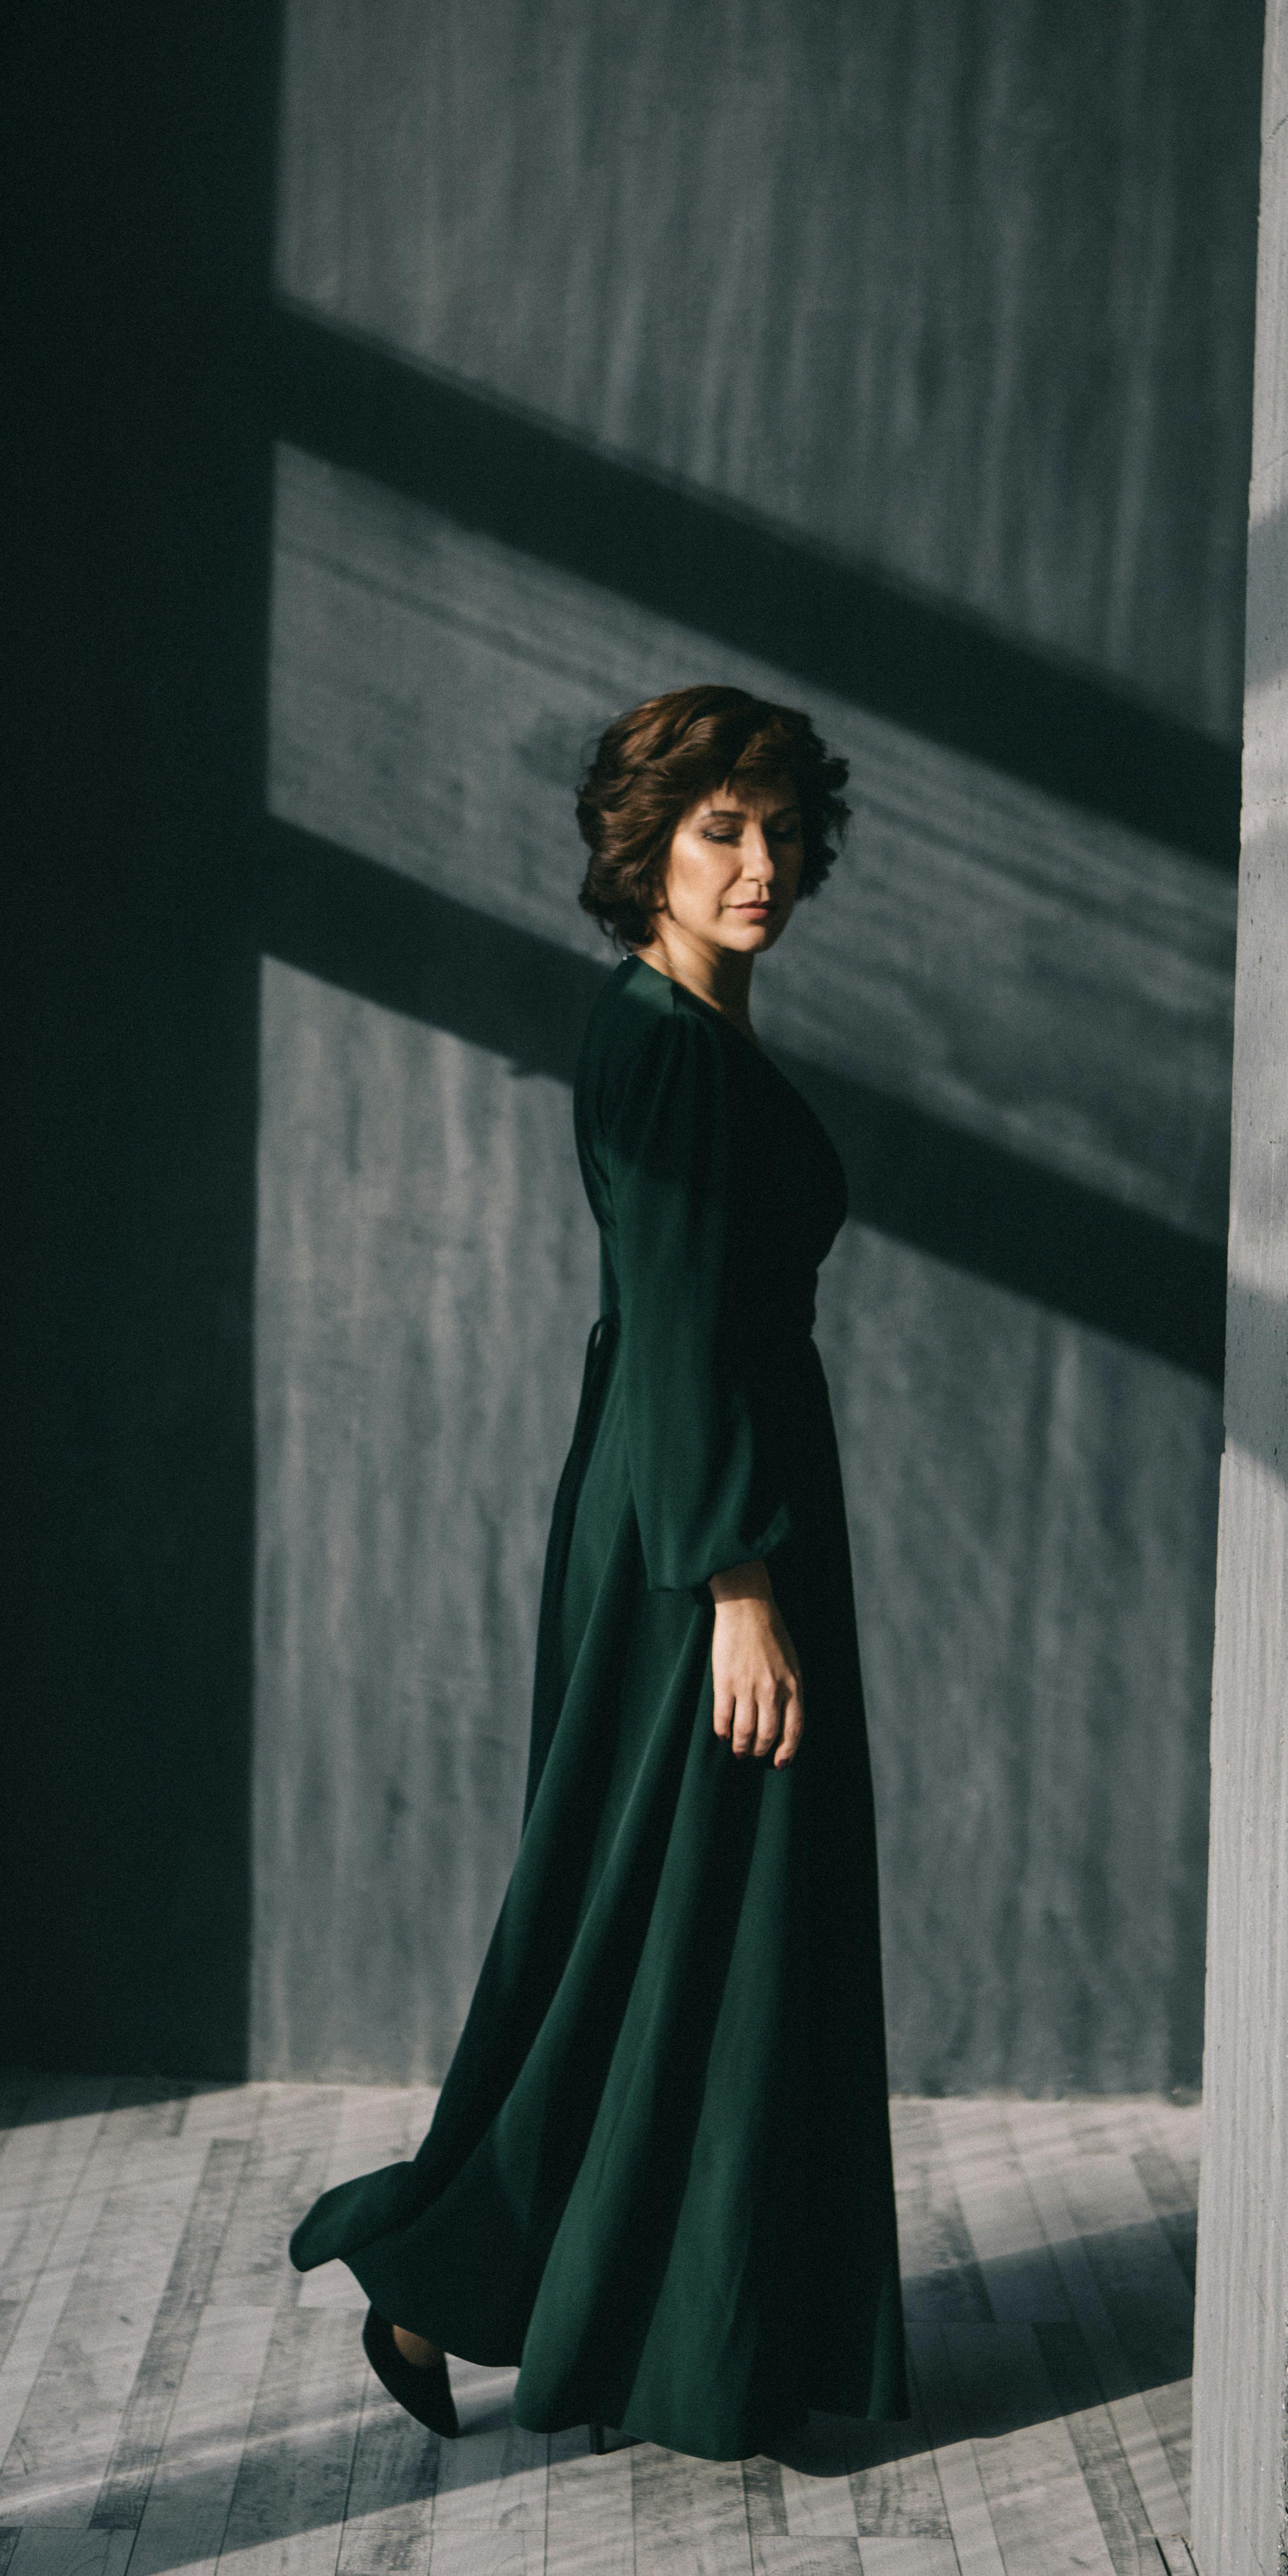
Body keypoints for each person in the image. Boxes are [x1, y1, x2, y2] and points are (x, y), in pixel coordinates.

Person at [288, 685, 909, 2461]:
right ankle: (468, 2278)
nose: (762, 863)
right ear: (647, 850)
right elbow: (686, 1334)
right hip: (703, 1540)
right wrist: (735, 1587)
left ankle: (644, 2319)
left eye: (782, 827)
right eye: (723, 829)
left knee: (678, 1926)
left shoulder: (691, 1039)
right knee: (670, 1918)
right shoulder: (657, 1045)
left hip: (713, 1513)